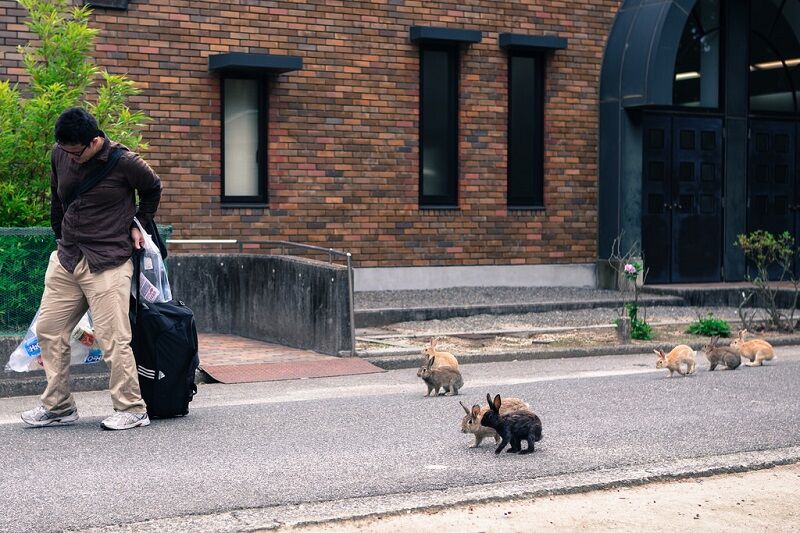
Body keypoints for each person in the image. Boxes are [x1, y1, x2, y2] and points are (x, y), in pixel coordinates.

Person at [21, 107, 162, 430]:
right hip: (68, 257)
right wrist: (60, 236)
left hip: (109, 259)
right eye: (65, 151)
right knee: (49, 330)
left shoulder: (125, 161)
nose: (70, 158)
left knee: (113, 338)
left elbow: (153, 188)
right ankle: (58, 407)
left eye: (76, 152)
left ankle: (132, 408)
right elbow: (57, 199)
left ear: (95, 141)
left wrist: (140, 223)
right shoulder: (60, 154)